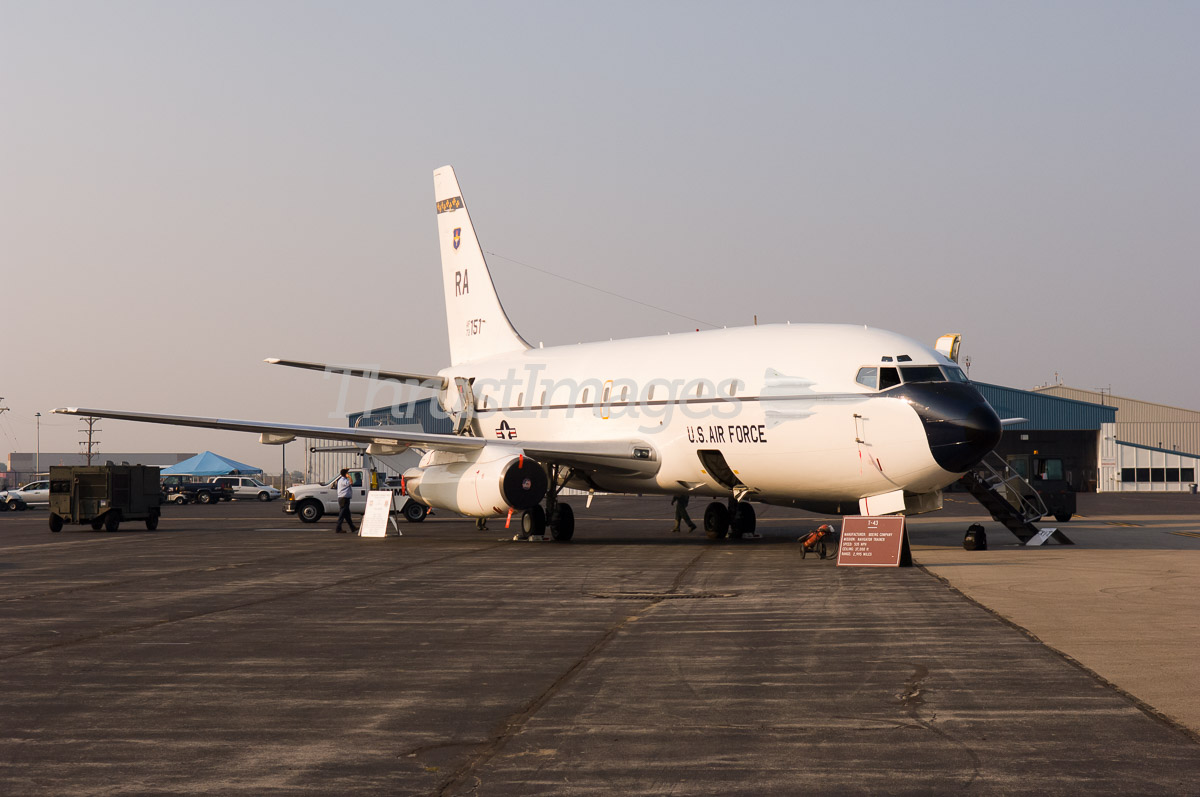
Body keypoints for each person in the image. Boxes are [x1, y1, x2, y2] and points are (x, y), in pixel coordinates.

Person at [334, 468, 355, 533]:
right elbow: (351, 483)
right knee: (342, 514)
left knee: (347, 514)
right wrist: (350, 477)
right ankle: (338, 528)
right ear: (345, 474)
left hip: (344, 498)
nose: (348, 474)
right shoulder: (343, 480)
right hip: (344, 499)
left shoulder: (342, 480)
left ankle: (352, 527)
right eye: (347, 473)